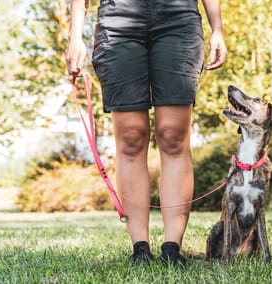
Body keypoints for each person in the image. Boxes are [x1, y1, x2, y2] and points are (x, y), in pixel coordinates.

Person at [66, 0, 227, 267]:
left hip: (178, 19)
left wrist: (217, 28)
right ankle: (140, 248)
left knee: (173, 135)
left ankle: (172, 248)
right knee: (130, 137)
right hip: (118, 19)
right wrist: (75, 35)